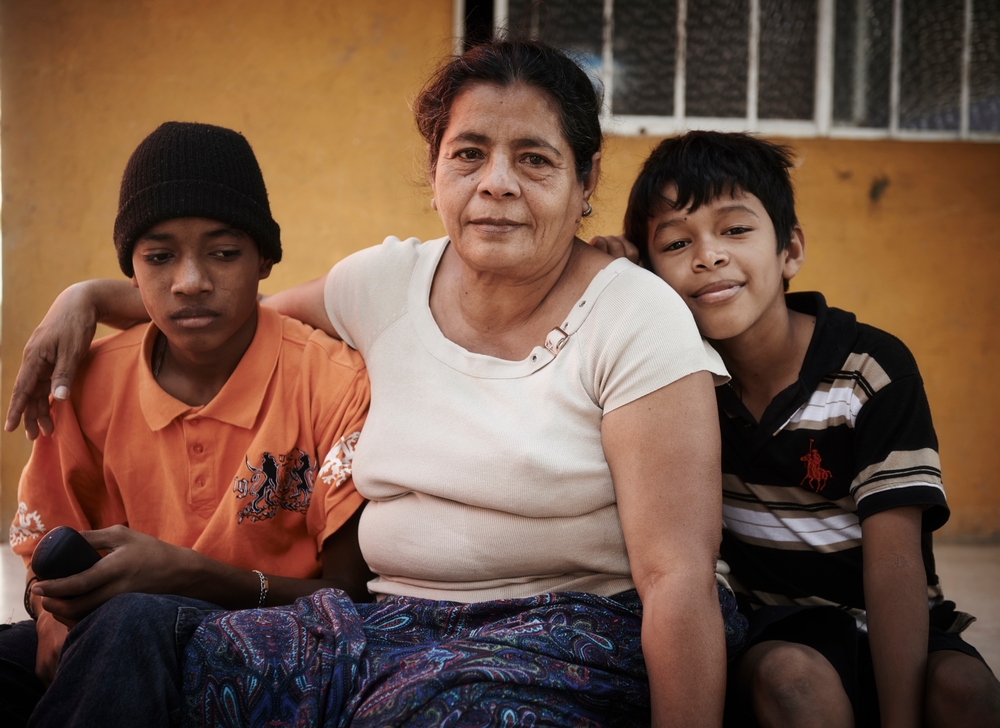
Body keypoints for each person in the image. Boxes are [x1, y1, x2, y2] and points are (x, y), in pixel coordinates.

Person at [5, 41, 746, 727]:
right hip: (384, 630)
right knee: (143, 643)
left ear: (584, 182)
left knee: (424, 712)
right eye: (469, 153)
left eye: (534, 159)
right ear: (434, 175)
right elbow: (226, 305)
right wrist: (90, 299)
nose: (497, 183)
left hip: (574, 629)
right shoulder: (386, 283)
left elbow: (675, 579)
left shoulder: (634, 319)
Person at [594, 130, 1000, 727]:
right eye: (677, 242)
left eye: (736, 230)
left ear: (790, 250)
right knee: (795, 683)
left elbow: (893, 565)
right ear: (652, 273)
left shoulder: (870, 371)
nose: (709, 255)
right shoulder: (676, 383)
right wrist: (614, 280)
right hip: (778, 632)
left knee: (968, 692)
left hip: (894, 618)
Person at [1, 121, 372, 727]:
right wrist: (47, 619)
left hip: (276, 646)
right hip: (112, 643)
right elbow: (45, 555)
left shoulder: (332, 382)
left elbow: (352, 597)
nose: (191, 281)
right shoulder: (88, 383)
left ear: (265, 259)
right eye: (159, 256)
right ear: (132, 269)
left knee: (134, 618)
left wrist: (189, 576)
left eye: (224, 253)